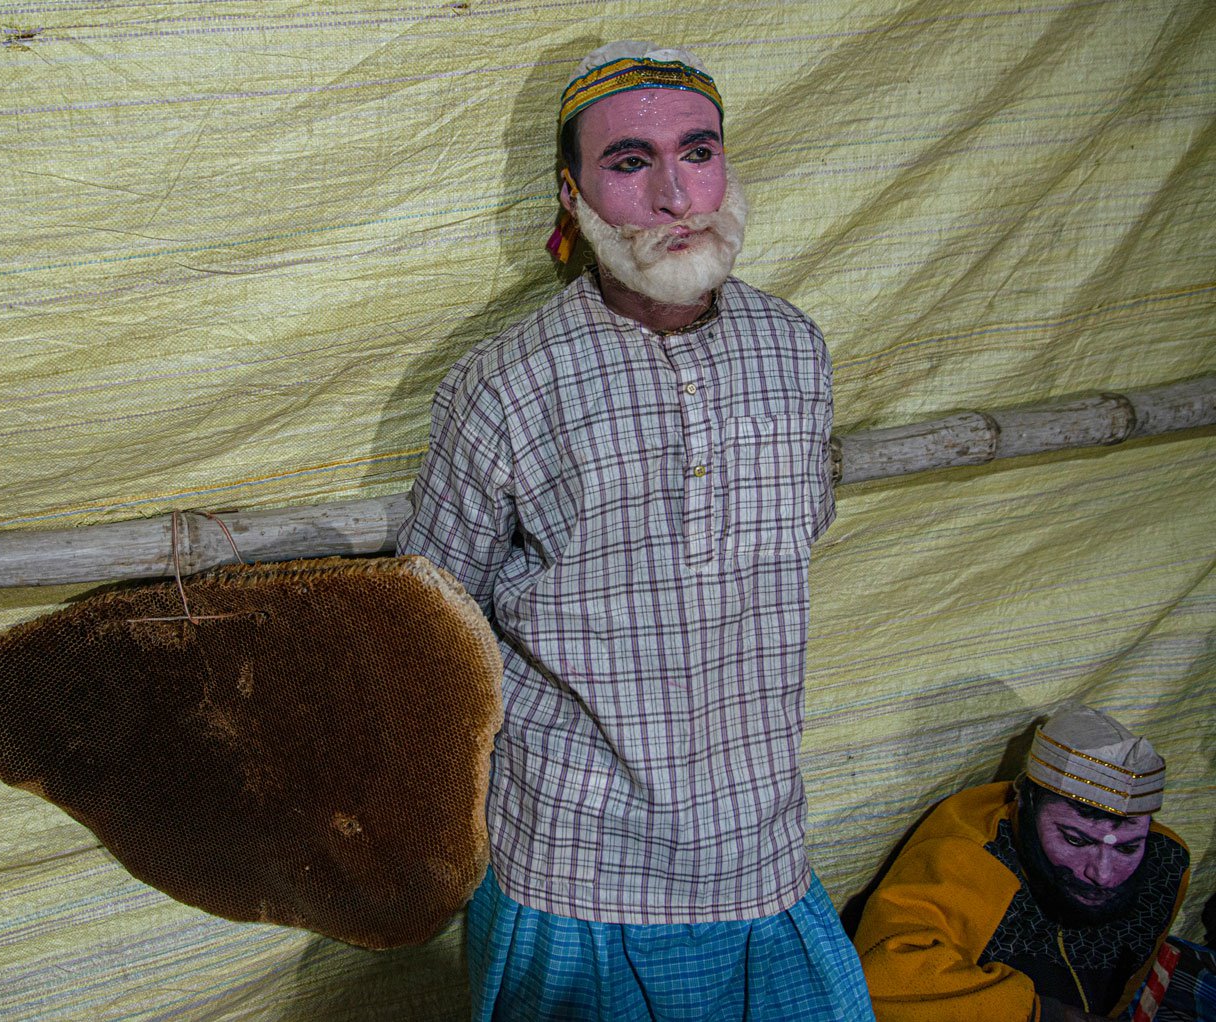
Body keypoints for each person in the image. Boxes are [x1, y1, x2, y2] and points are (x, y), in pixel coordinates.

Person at [398, 40, 872, 1020]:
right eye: (627, 163)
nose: (673, 194)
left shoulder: (794, 349)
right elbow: (432, 617)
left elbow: (793, 532)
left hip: (759, 847)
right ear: (569, 197)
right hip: (574, 864)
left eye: (697, 152)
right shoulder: (505, 383)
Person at [853, 705, 1191, 1022]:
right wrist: (1039, 1013)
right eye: (1075, 840)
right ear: (1026, 801)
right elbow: (883, 976)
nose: (1102, 874)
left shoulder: (1166, 863)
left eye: (1128, 849)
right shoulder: (967, 853)